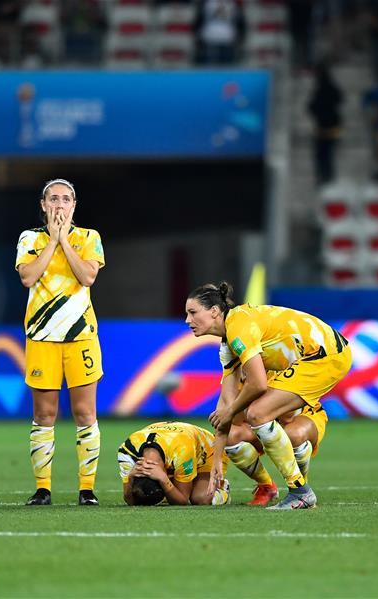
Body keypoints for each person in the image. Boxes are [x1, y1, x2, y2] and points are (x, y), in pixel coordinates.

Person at [185, 282, 352, 510]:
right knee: (255, 415)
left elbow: (258, 384)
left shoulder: (238, 327)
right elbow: (224, 405)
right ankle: (296, 489)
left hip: (325, 355)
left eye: (193, 312)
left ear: (214, 311)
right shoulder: (228, 343)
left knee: (258, 413)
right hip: (320, 354)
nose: (188, 320)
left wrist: (231, 411)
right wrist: (217, 462)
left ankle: (300, 491)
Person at [15, 179, 105, 507]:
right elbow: (28, 276)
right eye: (53, 198)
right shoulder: (30, 239)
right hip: (42, 338)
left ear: (74, 206)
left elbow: (87, 277)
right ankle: (43, 488)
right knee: (44, 413)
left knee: (84, 412)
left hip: (80, 337)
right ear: (43, 204)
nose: (60, 204)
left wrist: (64, 240)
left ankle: (87, 489)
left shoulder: (89, 238)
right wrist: (51, 242)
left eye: (66, 199)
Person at [224, 401, 328, 506]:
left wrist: (252, 401)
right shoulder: (240, 384)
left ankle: (302, 488)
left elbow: (288, 416)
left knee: (293, 435)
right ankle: (267, 487)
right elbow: (235, 419)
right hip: (263, 418)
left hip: (304, 414)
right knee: (231, 435)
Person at [117, 421, 231, 506]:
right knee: (147, 494)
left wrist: (164, 480)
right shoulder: (126, 452)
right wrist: (130, 479)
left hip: (209, 451)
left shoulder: (182, 449)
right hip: (172, 446)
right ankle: (173, 485)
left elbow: (182, 500)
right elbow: (130, 499)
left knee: (201, 498)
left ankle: (222, 487)